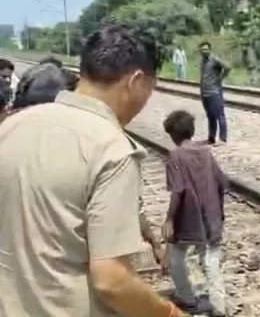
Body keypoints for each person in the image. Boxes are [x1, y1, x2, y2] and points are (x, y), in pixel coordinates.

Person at [0, 24, 190, 317]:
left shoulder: (12, 127)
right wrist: (170, 314)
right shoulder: (111, 150)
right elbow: (111, 280)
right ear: (136, 80)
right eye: (152, 88)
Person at [161, 110, 228, 317]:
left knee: (175, 256)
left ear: (172, 134)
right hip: (211, 215)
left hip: (188, 218)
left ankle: (187, 298)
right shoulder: (206, 153)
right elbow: (223, 183)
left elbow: (178, 190)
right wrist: (220, 212)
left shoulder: (175, 156)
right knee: (210, 259)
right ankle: (219, 305)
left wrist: (170, 219)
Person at [199, 41, 230, 144]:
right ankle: (211, 137)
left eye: (206, 49)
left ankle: (222, 138)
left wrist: (220, 78)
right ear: (200, 51)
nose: (205, 51)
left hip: (214, 92)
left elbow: (227, 67)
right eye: (203, 49)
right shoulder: (203, 61)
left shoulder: (215, 59)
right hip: (205, 93)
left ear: (210, 49)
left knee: (219, 115)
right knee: (210, 116)